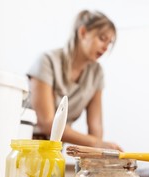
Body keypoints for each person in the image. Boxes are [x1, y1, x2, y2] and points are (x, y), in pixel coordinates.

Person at [27, 10, 122, 151]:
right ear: (83, 32)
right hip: (27, 143)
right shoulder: (46, 61)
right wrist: (96, 144)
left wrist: (99, 153)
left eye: (109, 43)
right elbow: (46, 122)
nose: (105, 47)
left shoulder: (97, 73)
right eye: (102, 38)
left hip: (55, 148)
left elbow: (95, 127)